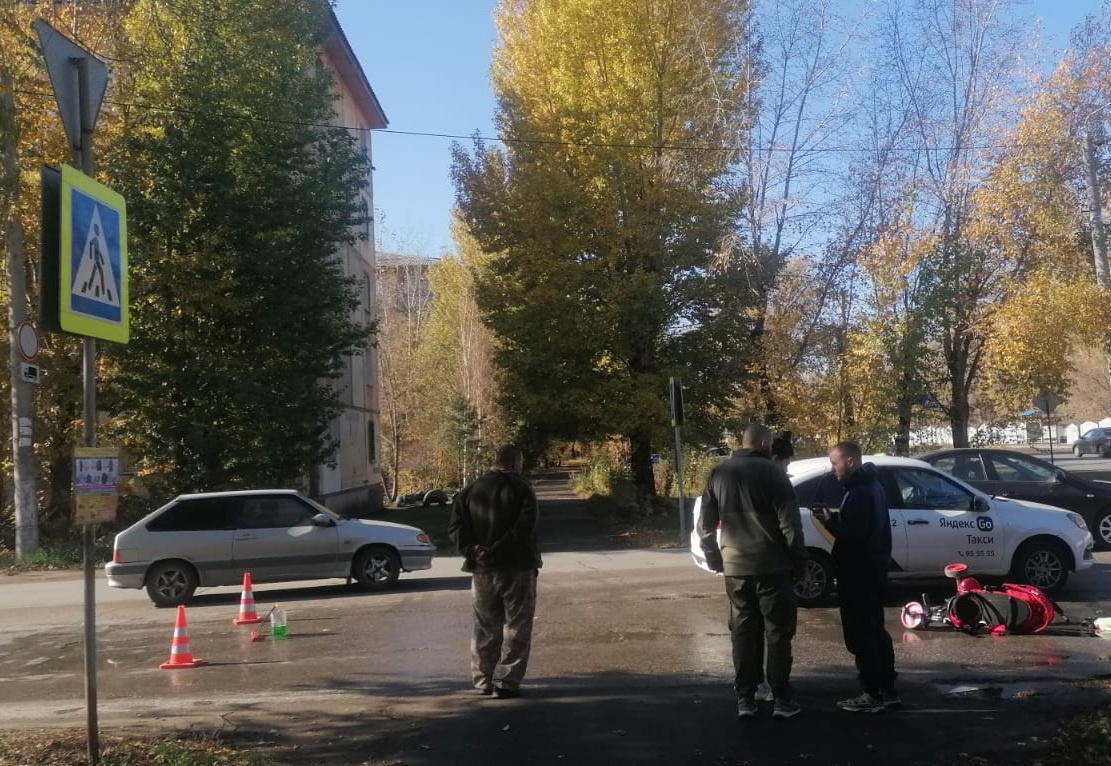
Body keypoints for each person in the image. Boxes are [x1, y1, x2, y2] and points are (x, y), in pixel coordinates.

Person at [697, 424, 807, 720]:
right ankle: (781, 698)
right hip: (773, 567)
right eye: (770, 444)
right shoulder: (775, 475)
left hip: (736, 567)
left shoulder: (719, 474)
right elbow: (790, 525)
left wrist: (715, 558)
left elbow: (705, 526)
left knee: (743, 631)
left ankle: (746, 697)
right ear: (764, 444)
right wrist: (799, 564)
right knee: (778, 632)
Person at [448, 444, 542, 699]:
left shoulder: (471, 490)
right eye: (520, 464)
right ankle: (506, 681)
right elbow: (524, 528)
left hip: (482, 571)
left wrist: (473, 549)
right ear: (514, 463)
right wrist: (497, 549)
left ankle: (483, 679)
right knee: (517, 626)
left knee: (485, 626)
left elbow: (455, 527)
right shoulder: (522, 489)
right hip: (517, 569)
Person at [811, 441, 898, 713]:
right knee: (875, 630)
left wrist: (829, 521)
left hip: (859, 572)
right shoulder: (872, 486)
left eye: (835, 463)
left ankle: (871, 692)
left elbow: (852, 534)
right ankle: (887, 690)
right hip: (872, 569)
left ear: (850, 461)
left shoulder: (860, 492)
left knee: (862, 633)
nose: (832, 469)